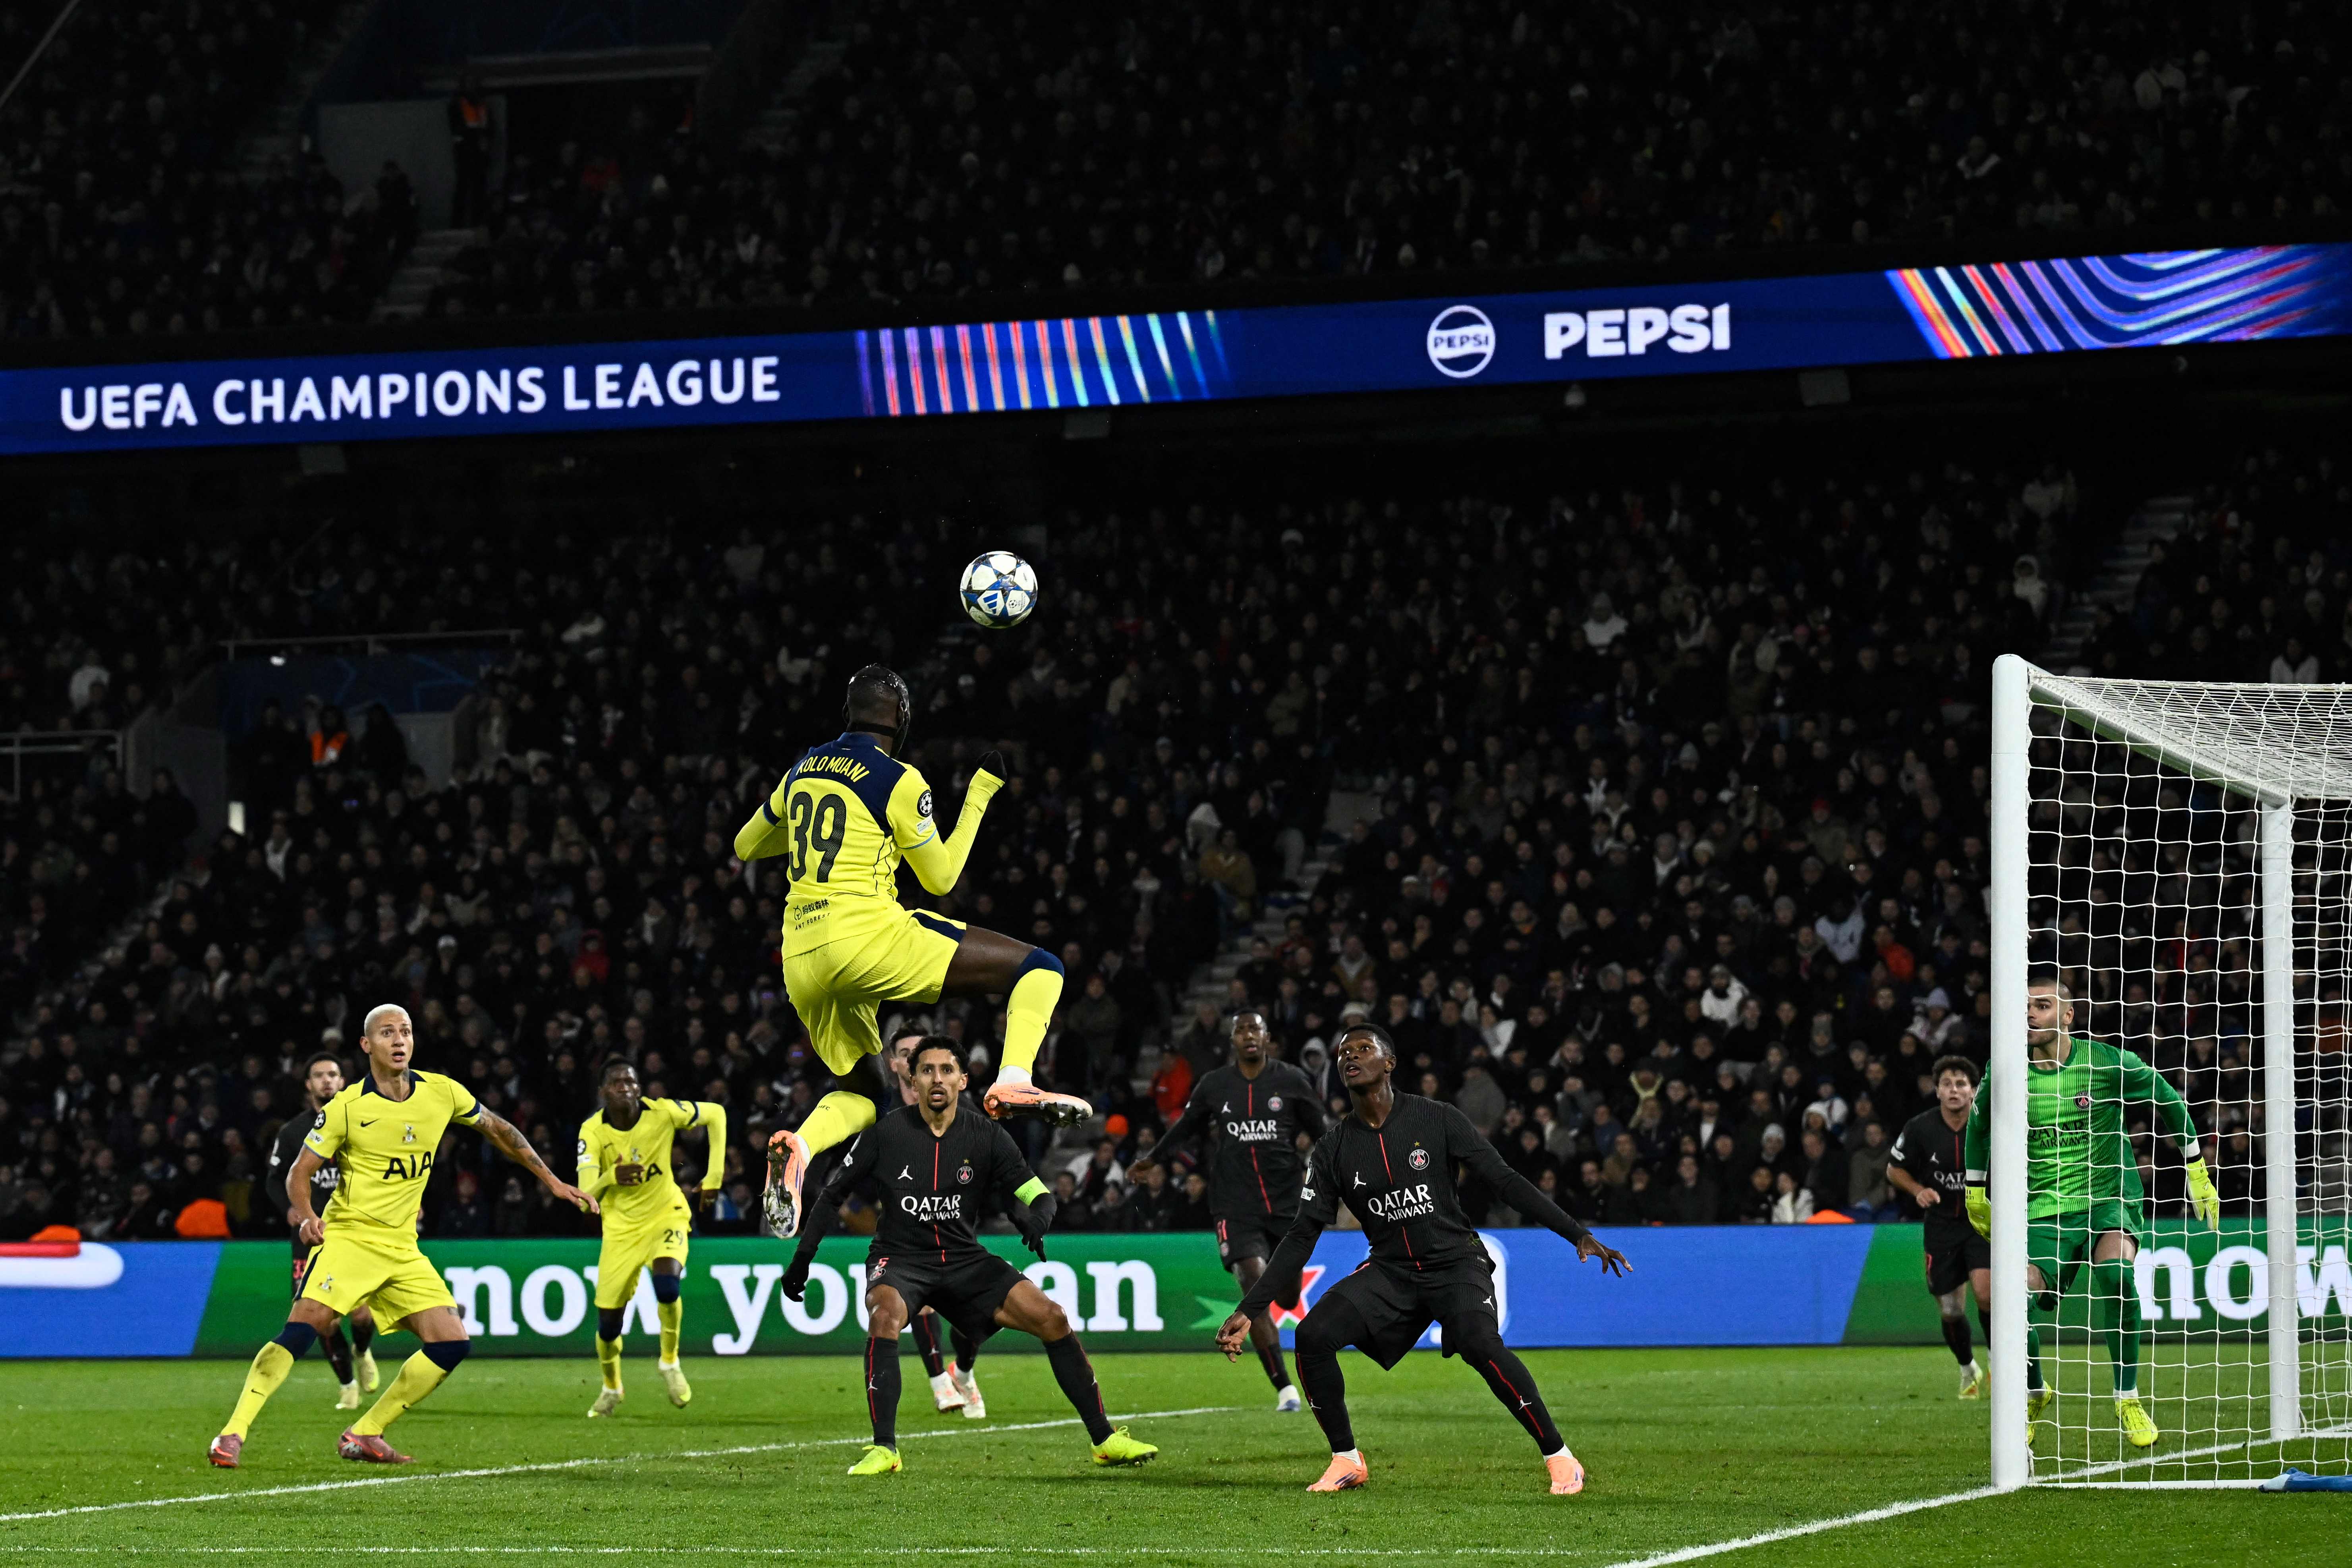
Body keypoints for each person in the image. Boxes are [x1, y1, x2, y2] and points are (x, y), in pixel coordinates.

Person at [735, 666, 1090, 1240]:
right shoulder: (897, 779)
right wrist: (979, 795)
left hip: (800, 955)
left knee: (864, 1096)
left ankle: (799, 1146)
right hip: (866, 936)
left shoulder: (802, 769)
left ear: (848, 714)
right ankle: (1013, 1079)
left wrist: (803, 833)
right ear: (900, 718)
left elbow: (746, 845)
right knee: (1039, 967)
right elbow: (942, 878)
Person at [1218, 1022, 1630, 1495]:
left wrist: (1576, 1234)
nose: (1351, 1057)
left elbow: (1505, 1180)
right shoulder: (1332, 1149)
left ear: (1389, 1063)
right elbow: (1301, 1235)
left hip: (1455, 1262)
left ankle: (1560, 1456)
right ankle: (1346, 1459)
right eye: (1344, 1053)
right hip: (1392, 1271)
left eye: (1364, 1049)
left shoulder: (1437, 1118)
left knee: (1479, 1343)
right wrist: (1251, 1309)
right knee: (1313, 1334)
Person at [208, 1004, 596, 1468]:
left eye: (406, 1032)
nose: (399, 1040)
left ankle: (366, 1432)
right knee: (305, 1325)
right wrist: (308, 1214)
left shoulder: (442, 1092)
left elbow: (500, 1130)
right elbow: (299, 1173)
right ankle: (232, 1433)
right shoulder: (347, 1108)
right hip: (351, 1238)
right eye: (388, 1033)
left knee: (452, 1342)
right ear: (367, 1045)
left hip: (402, 1247)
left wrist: (552, 1181)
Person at [780, 1037, 1157, 1474]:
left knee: (1052, 1317)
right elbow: (831, 1195)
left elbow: (1035, 1191)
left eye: (946, 1070)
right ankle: (885, 1449)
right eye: (926, 1071)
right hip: (901, 1260)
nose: (936, 1078)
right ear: (912, 1080)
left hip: (964, 1259)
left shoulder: (985, 1134)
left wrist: (1040, 1215)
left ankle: (1105, 1440)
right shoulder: (885, 1134)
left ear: (962, 1080)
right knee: (884, 1316)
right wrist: (802, 1259)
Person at [1964, 974, 2219, 1451]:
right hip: (2044, 1208)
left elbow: (2165, 1096)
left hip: (2109, 1200)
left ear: (2067, 1015)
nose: (2029, 1014)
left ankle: (2127, 1397)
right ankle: (2034, 1391)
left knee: (2118, 1276)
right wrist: (1975, 1191)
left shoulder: (2106, 1064)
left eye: (2041, 1006)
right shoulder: (2005, 1070)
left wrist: (2195, 1166)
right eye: (2024, 1006)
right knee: (2010, 1304)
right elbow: (1978, 1128)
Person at [1129, 1008, 1327, 1411]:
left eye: (1255, 1029)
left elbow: (1323, 1132)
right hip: (1234, 1205)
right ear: (1233, 1040)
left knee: (1288, 1297)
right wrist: (1153, 1158)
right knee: (1253, 1285)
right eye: (1241, 1030)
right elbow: (1185, 1129)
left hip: (1287, 1202)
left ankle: (1286, 1305)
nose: (1248, 1035)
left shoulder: (1291, 1081)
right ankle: (1286, 1389)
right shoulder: (1215, 1086)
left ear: (1267, 1038)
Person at [576, 1058, 726, 1416]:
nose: (625, 1086)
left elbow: (716, 1114)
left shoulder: (662, 1113)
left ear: (640, 1088)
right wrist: (611, 1176)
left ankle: (670, 1362)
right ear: (603, 1093)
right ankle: (612, 1387)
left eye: (631, 1081)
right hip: (620, 1232)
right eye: (616, 1082)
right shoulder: (592, 1133)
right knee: (609, 1326)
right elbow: (585, 1201)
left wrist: (715, 1175)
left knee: (667, 1286)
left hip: (665, 1214)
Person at [265, 1050, 378, 1410]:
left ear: (343, 1082)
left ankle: (362, 1351)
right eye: (320, 1075)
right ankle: (347, 1385)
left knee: (362, 1314)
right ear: (309, 1084)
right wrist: (292, 1212)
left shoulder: (360, 1122)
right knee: (324, 1322)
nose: (327, 1080)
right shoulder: (293, 1132)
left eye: (333, 1074)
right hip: (310, 1239)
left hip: (351, 1233)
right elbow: (273, 1180)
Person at [1889, 1056, 1990, 1398]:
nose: (1954, 1090)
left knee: (1987, 1295)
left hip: (1984, 1223)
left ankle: (2000, 1365)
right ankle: (1968, 1369)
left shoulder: (1990, 1124)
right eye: (1947, 1084)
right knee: (1951, 1310)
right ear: (1937, 1091)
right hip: (1942, 1226)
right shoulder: (1920, 1128)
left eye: (1962, 1084)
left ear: (1975, 1091)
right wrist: (1918, 1190)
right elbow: (1894, 1169)